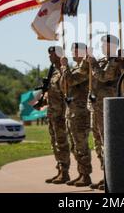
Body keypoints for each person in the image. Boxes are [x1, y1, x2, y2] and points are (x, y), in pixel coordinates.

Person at [87, 34, 122, 190]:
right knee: (98, 142)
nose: (101, 46)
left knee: (107, 142)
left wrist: (93, 64)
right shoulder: (102, 61)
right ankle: (105, 175)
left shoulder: (115, 61)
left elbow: (104, 76)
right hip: (96, 106)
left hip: (107, 108)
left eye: (104, 44)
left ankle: (112, 177)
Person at [60, 43, 93, 187]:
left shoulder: (86, 67)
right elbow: (64, 86)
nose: (72, 53)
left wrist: (65, 67)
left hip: (80, 113)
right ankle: (80, 173)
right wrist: (65, 70)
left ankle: (86, 175)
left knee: (82, 145)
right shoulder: (74, 68)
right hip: (72, 111)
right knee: (75, 146)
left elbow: (71, 80)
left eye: (75, 51)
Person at [44, 46, 70, 184]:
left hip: (61, 114)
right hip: (52, 114)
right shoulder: (53, 73)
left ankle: (65, 172)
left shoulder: (64, 72)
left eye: (52, 54)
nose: (49, 57)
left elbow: (66, 91)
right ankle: (60, 170)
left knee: (62, 144)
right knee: (54, 144)